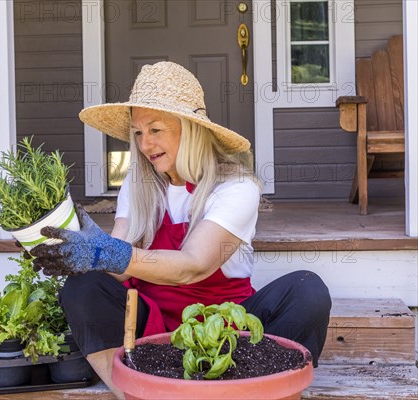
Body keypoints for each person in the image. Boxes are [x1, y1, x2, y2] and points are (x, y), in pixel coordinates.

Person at [30, 61, 331, 398]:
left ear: (191, 128)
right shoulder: (139, 184)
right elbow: (116, 265)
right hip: (152, 333)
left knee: (308, 290)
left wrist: (109, 253)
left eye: (156, 129)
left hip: (230, 333)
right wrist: (82, 254)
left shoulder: (235, 186)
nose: (145, 145)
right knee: (82, 287)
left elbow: (194, 265)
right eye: (138, 133)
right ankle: (133, 391)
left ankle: (262, 390)